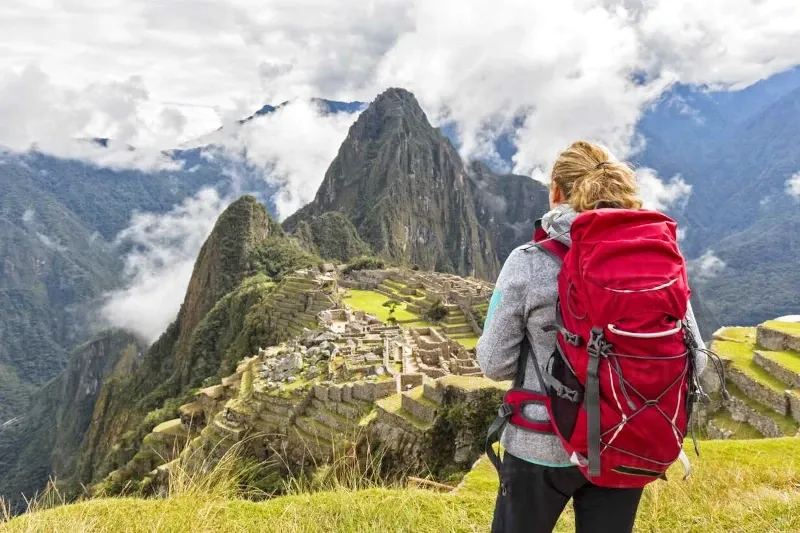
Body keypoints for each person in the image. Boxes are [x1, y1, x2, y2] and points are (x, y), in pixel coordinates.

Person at [476, 140, 708, 533]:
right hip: (626, 437)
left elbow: (494, 363)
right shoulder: (656, 259)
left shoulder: (528, 262)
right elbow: (696, 360)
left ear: (555, 192)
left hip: (540, 442)